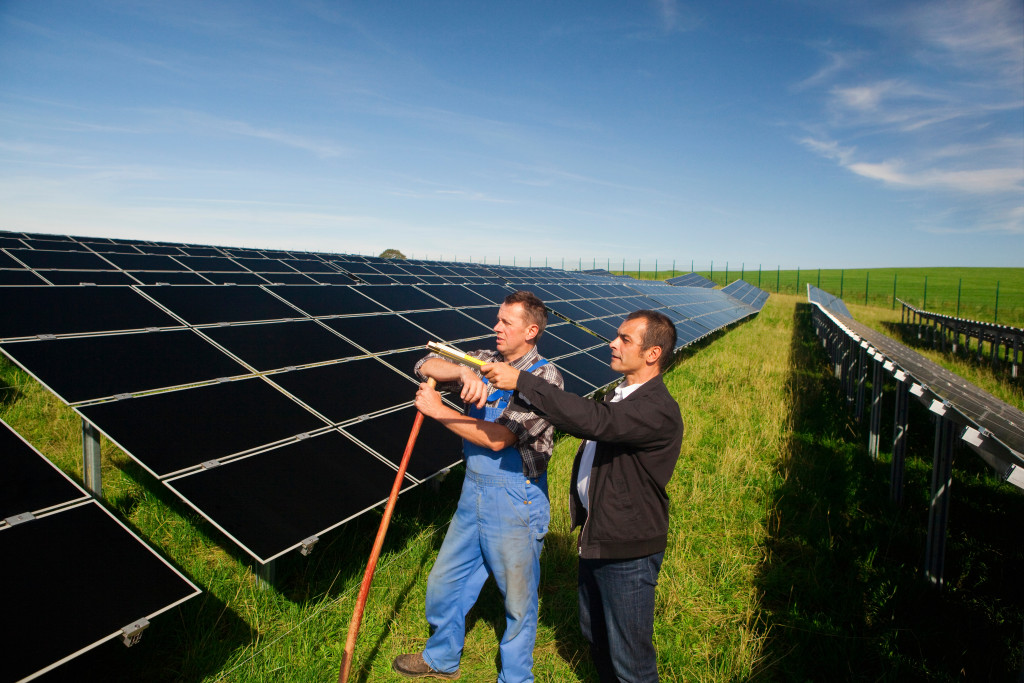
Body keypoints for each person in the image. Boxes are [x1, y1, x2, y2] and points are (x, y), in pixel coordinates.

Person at [482, 309, 684, 682]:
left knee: (630, 658)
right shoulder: (622, 393)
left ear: (652, 354)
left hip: (628, 548)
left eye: (625, 339)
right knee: (596, 636)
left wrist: (523, 382)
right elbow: (590, 419)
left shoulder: (657, 409)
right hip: (599, 537)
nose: (613, 343)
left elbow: (596, 421)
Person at [392, 290, 564, 682]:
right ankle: (442, 657)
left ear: (532, 330)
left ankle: (516, 677)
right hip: (473, 492)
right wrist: (462, 372)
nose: (496, 327)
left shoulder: (544, 376)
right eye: (497, 319)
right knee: (444, 581)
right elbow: (424, 363)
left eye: (506, 322)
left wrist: (438, 411)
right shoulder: (484, 360)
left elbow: (500, 438)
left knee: (518, 598)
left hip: (517, 495)